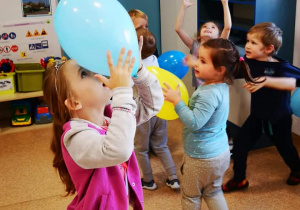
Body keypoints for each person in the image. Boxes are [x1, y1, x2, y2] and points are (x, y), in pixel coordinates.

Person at [42, 46, 164, 209]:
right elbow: (118, 150)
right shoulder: (76, 137)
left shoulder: (112, 116)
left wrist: (139, 69)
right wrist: (122, 91)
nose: (96, 73)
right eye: (84, 73)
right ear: (73, 102)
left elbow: (152, 105)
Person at [163, 38, 261, 209]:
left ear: (220, 70)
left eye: (202, 61)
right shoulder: (220, 85)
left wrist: (177, 102)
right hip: (219, 154)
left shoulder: (208, 94)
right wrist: (196, 61)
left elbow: (194, 123)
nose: (197, 64)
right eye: (198, 58)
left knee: (191, 196)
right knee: (213, 192)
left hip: (201, 158)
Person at [222, 22, 300, 192]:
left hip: (278, 118)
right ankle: (239, 179)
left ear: (268, 49)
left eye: (253, 43)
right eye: (248, 41)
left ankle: (297, 170)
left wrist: (268, 81)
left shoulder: (281, 67)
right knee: (240, 147)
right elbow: (232, 72)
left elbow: (297, 80)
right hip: (257, 116)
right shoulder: (250, 62)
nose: (247, 46)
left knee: (285, 148)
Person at [134, 28, 180, 190]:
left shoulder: (133, 65)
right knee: (161, 145)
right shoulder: (154, 58)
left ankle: (148, 180)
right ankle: (173, 178)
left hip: (143, 113)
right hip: (160, 109)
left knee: (141, 149)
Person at [175, 0, 231, 89]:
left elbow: (227, 27)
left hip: (214, 87)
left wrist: (225, 3)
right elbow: (178, 29)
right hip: (199, 87)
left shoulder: (219, 45)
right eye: (204, 26)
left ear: (218, 36)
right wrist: (184, 7)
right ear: (199, 37)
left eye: (213, 27)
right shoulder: (195, 46)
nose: (208, 27)